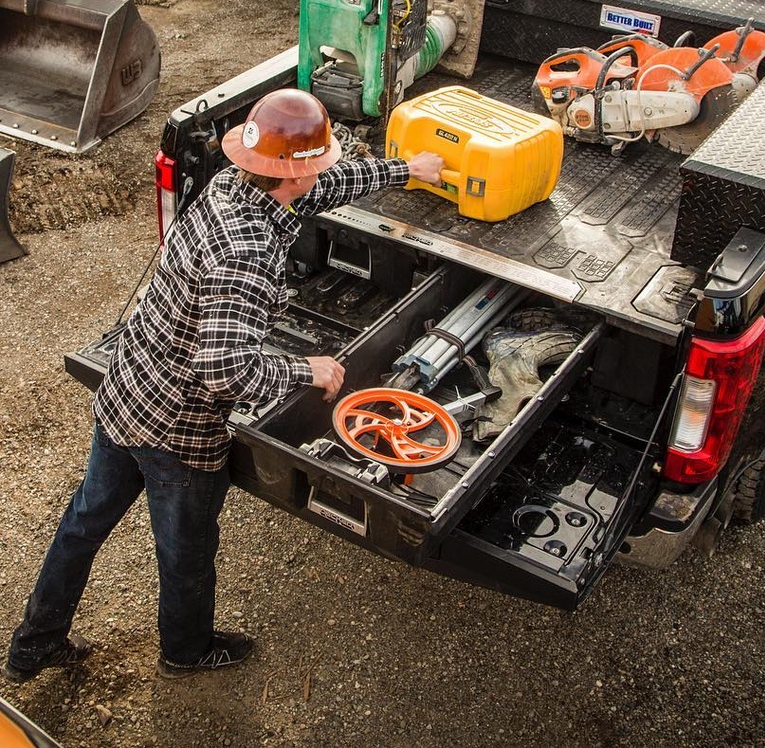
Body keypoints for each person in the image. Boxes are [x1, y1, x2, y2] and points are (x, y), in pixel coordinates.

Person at [4, 89, 444, 682]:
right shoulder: (245, 250)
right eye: (314, 166)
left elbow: (320, 184)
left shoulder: (232, 184)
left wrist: (406, 171)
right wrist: (305, 369)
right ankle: (185, 650)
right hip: (178, 425)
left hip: (129, 386)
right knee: (185, 554)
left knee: (84, 521)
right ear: (292, 175)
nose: (317, 177)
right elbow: (224, 372)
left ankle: (34, 643)